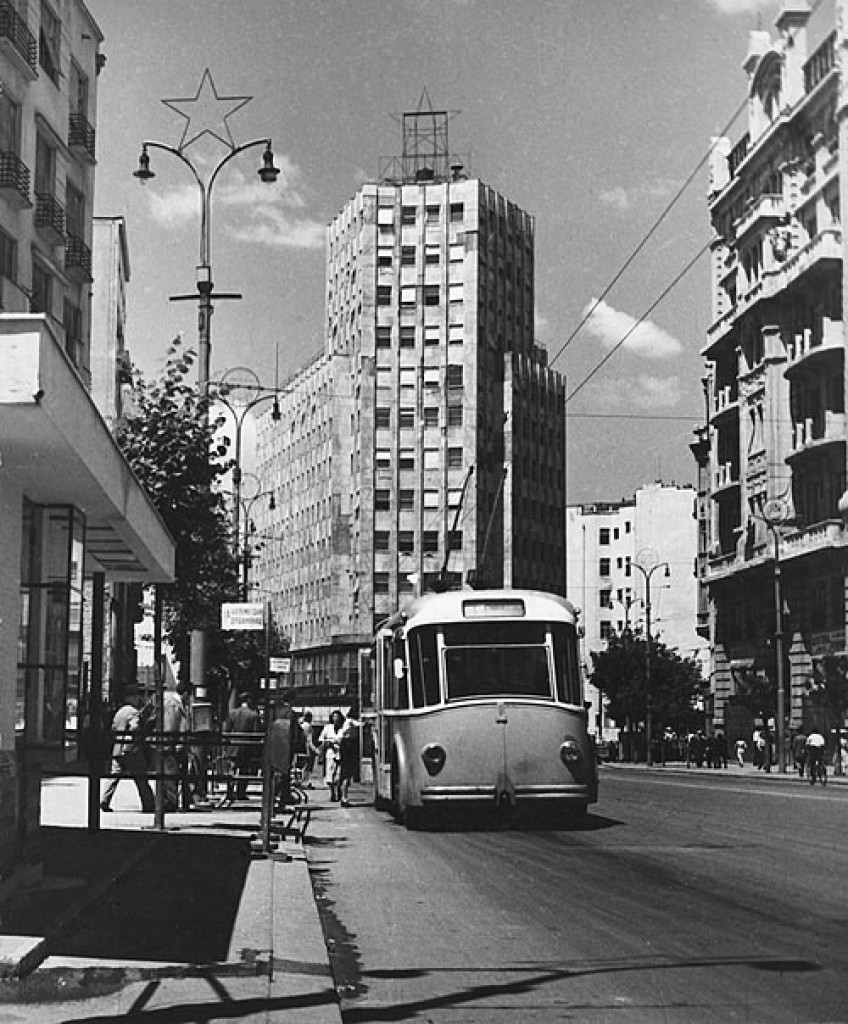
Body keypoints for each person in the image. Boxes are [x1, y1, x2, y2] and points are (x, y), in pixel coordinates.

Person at [100, 698, 155, 813]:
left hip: (117, 748)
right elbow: (134, 726)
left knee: (114, 776)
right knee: (141, 778)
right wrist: (138, 735)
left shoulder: (120, 712)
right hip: (130, 750)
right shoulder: (133, 713)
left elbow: (113, 727)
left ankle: (104, 800)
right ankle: (149, 804)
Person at [223, 692, 262, 801]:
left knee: (232, 770)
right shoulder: (254, 715)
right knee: (244, 770)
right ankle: (241, 793)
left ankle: (229, 792)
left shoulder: (232, 713)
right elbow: (256, 734)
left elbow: (226, 730)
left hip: (232, 747)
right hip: (246, 747)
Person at [162, 683, 191, 811]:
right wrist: (173, 743)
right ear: (185, 693)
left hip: (176, 744)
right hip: (172, 745)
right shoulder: (172, 704)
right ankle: (170, 802)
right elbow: (170, 725)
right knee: (170, 773)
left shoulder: (177, 704)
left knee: (175, 773)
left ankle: (174, 801)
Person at [338, 705, 362, 807]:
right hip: (348, 746)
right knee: (346, 773)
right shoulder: (350, 721)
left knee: (346, 773)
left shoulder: (347, 721)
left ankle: (344, 797)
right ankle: (344, 797)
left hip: (346, 746)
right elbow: (359, 724)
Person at [319, 710, 346, 802]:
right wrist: (327, 743)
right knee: (330, 775)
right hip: (330, 753)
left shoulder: (343, 728)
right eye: (334, 717)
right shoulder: (327, 728)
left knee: (339, 774)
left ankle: (339, 791)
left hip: (341, 753)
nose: (336, 719)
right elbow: (321, 739)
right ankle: (332, 793)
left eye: (337, 717)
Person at [298, 710, 320, 788]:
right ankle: (305, 782)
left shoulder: (301, 725)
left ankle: (302, 781)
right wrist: (315, 749)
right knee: (308, 766)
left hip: (300, 748)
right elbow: (309, 739)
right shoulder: (308, 726)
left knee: (303, 765)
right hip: (307, 748)